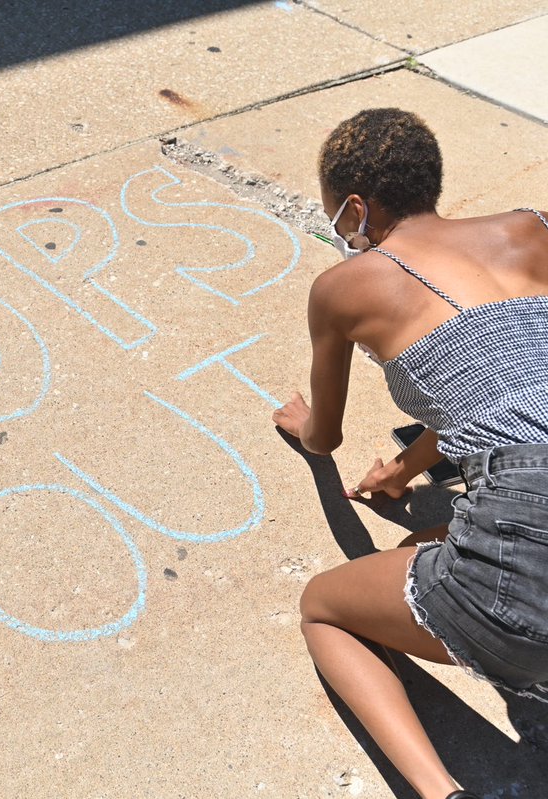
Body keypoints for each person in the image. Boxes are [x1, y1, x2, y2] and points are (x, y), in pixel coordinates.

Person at [272, 108, 548, 799]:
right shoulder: (533, 229)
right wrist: (404, 466)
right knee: (442, 530)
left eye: (336, 216)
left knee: (323, 606)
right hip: (525, 486)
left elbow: (325, 437)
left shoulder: (347, 285)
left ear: (358, 207)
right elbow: (513, 387)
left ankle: (438, 792)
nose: (341, 230)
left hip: (527, 533)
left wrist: (308, 429)